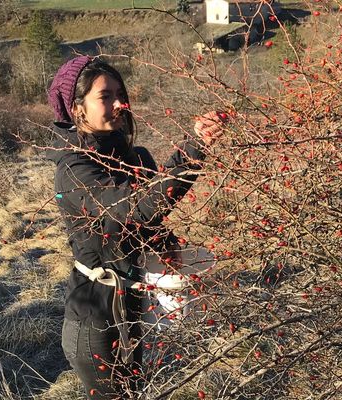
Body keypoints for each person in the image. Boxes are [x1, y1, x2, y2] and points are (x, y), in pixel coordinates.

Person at [46, 55, 223, 399]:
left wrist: (165, 243)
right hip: (96, 316)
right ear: (77, 108)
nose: (119, 103)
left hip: (132, 305)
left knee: (135, 392)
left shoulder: (133, 156)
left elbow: (148, 220)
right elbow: (134, 208)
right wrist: (194, 149)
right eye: (105, 96)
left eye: (120, 93)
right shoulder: (74, 169)